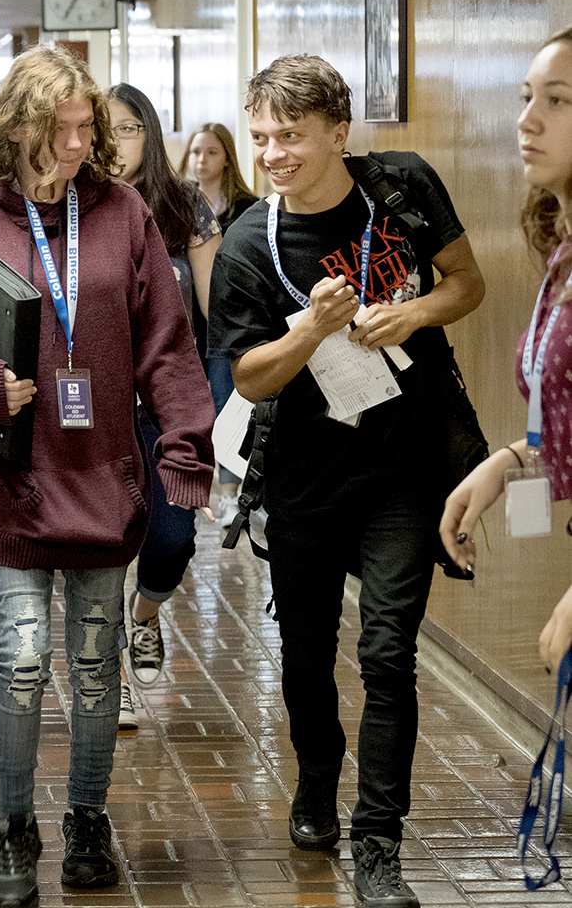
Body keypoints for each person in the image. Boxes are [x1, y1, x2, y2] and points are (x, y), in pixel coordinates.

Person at [0, 45, 215, 907]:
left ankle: (84, 818)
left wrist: (184, 447)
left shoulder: (122, 214)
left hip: (105, 478)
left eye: (88, 129)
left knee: (92, 659)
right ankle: (13, 826)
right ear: (16, 132)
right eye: (61, 129)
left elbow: (168, 342)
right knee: (21, 657)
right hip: (14, 477)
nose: (79, 144)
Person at [208, 54, 484, 908]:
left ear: (339, 132)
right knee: (304, 656)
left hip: (403, 470)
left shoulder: (400, 188)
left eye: (290, 136)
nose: (273, 154)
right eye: (260, 138)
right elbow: (250, 378)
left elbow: (468, 282)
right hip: (302, 477)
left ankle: (379, 845)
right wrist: (311, 332)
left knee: (388, 653)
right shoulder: (250, 242)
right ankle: (316, 781)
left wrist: (415, 310)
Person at [442, 26, 572, 674]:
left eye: (558, 101)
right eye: (526, 97)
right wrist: (510, 464)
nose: (527, 119)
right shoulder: (561, 257)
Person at [107, 83, 223, 708]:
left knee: (172, 536)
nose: (116, 141)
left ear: (148, 134)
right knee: (104, 547)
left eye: (129, 128)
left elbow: (218, 311)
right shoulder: (73, 204)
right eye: (105, 128)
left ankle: (145, 616)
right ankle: (113, 679)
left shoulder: (184, 206)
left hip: (167, 403)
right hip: (92, 406)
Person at [180, 121, 259, 525]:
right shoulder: (177, 202)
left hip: (227, 326)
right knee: (192, 407)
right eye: (195, 152)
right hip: (187, 324)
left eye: (211, 151)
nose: (201, 160)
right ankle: (189, 484)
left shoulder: (247, 207)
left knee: (227, 404)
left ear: (227, 156)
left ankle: (229, 490)